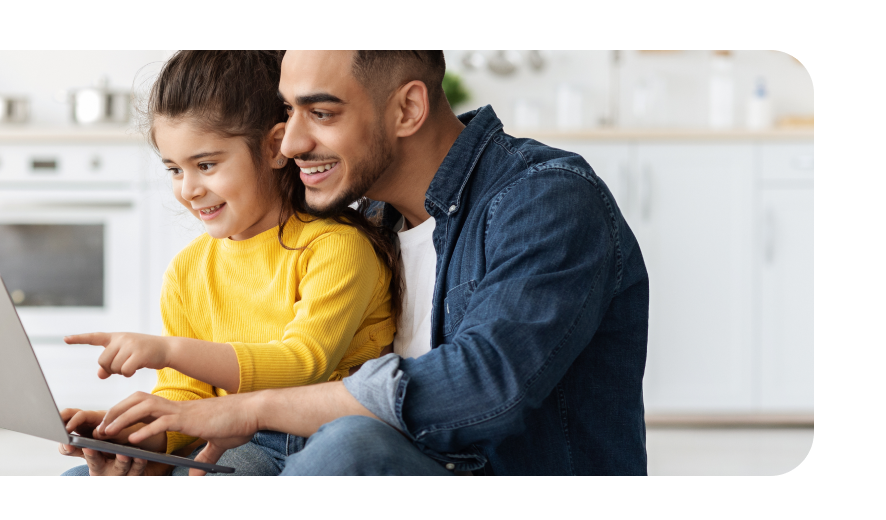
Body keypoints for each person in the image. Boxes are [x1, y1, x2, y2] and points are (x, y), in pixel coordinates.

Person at [95, 50, 650, 476]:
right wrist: (158, 444)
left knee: (348, 443)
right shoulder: (367, 220)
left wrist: (251, 410)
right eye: (289, 111)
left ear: (408, 108)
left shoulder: (544, 199)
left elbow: (482, 387)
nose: (288, 143)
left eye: (321, 112)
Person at [57, 50, 404, 476]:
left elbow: (302, 364)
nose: (188, 190)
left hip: (304, 438)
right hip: (218, 432)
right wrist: (144, 436)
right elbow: (187, 390)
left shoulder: (336, 248)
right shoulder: (188, 270)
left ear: (276, 148)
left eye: (205, 165)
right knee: (77, 479)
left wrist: (168, 350)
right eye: (174, 170)